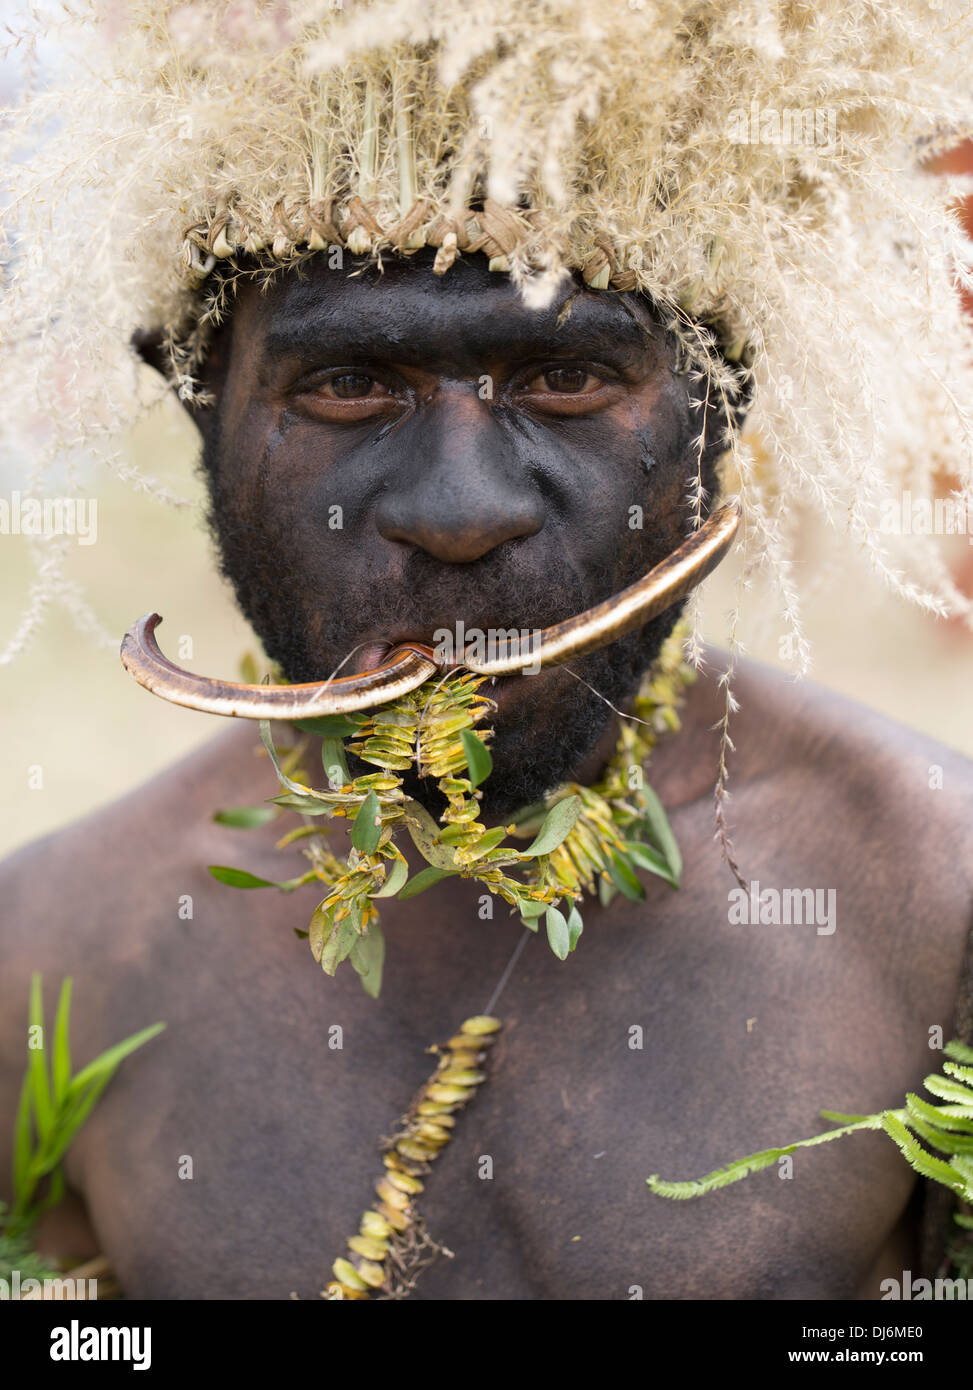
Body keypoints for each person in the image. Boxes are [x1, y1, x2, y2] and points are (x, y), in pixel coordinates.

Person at [1, 0, 972, 1301]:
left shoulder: (935, 911)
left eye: (566, 380)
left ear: (714, 407)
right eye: (350, 385)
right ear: (200, 402)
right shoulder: (49, 955)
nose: (460, 512)